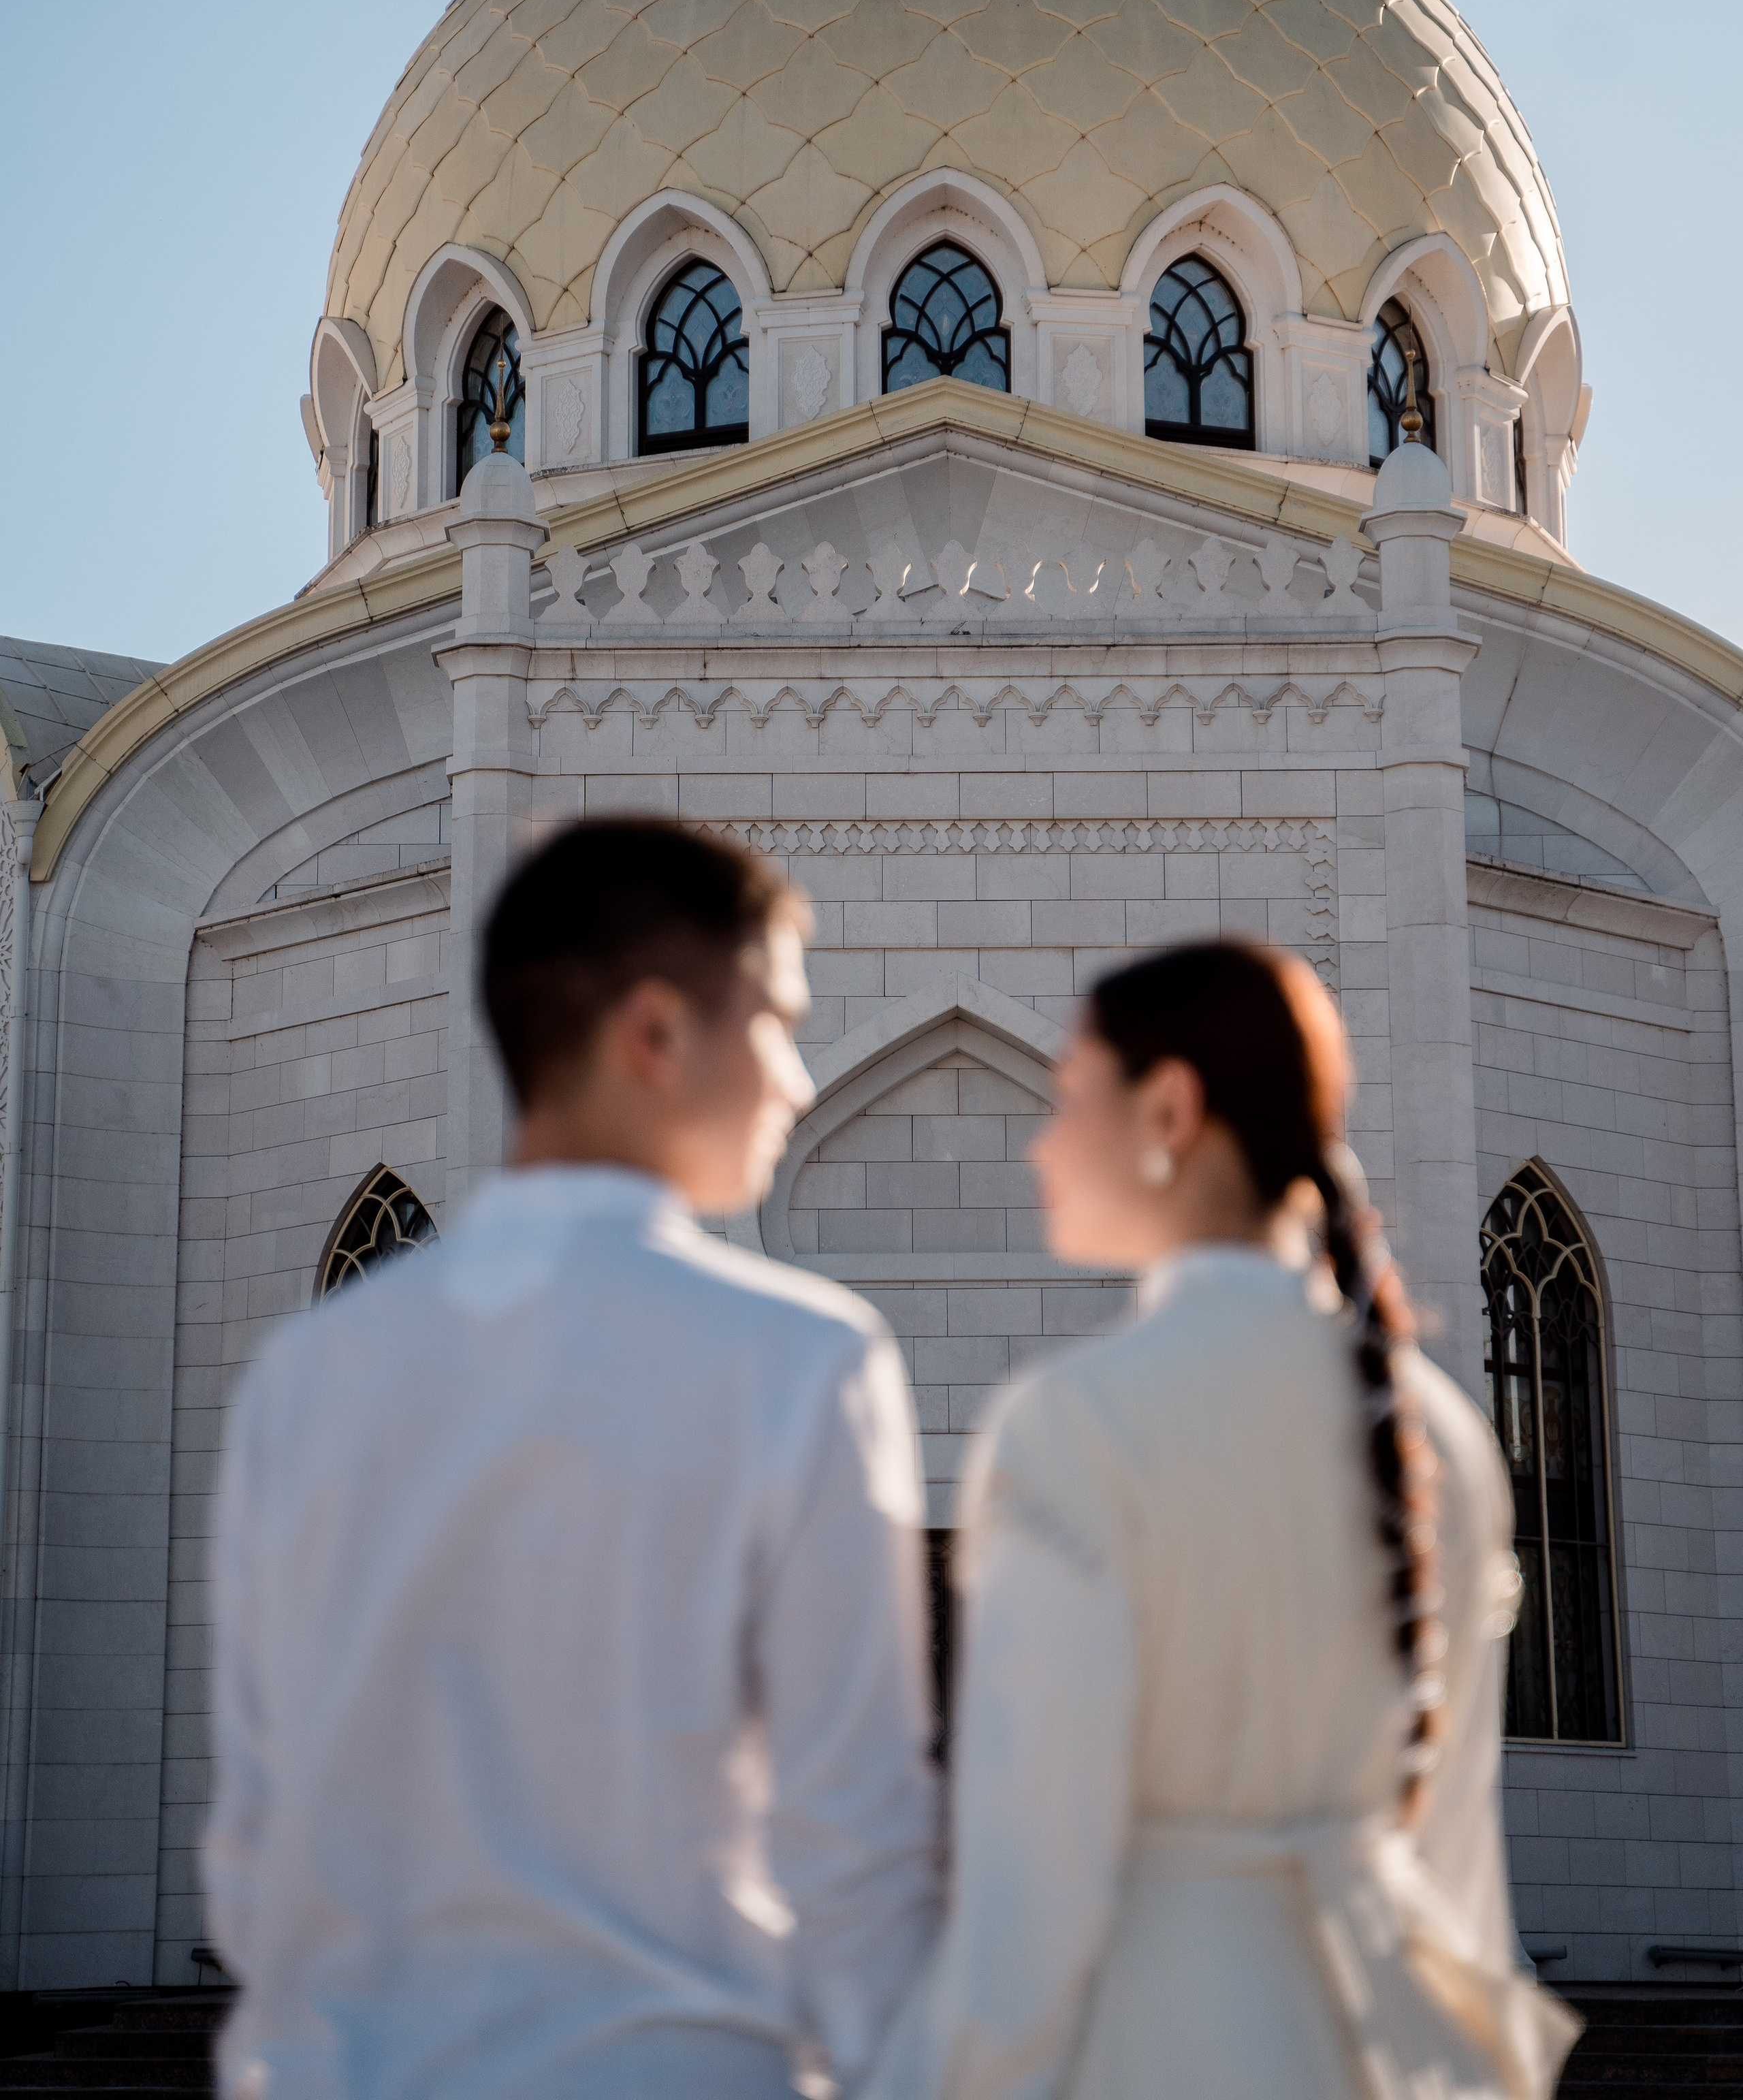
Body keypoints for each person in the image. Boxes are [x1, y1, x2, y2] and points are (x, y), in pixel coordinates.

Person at [204, 819, 940, 2100]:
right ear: (655, 1033)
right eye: (776, 1023)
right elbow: (853, 1828)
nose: (797, 1081)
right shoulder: (798, 1359)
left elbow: (261, 1826)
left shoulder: (308, 1375)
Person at [869, 940, 1579, 2100]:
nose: (1041, 1144)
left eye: (1069, 1099)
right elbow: (1458, 1867)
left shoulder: (1076, 1423)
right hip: (1395, 2042)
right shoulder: (1441, 1436)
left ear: (1170, 1110)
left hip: (1156, 2039)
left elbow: (1029, 1891)